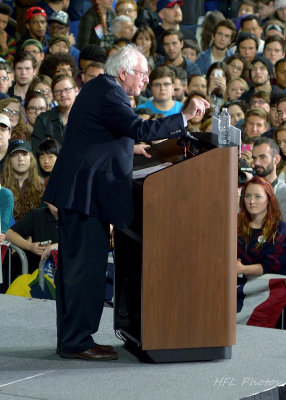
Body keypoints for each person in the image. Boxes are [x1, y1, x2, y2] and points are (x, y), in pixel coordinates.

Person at [43, 44, 209, 361]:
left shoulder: (103, 89)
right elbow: (139, 128)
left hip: (81, 193)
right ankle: (77, 341)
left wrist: (128, 150)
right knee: (84, 272)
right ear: (124, 73)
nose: (145, 80)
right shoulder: (109, 92)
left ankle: (72, 338)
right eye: (142, 73)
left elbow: (101, 134)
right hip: (84, 196)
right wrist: (184, 116)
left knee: (78, 269)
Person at [237, 175, 286, 277]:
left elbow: (272, 265)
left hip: (268, 289)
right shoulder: (235, 226)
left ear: (268, 199)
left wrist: (243, 269)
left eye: (257, 196)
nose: (251, 201)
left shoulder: (281, 230)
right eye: (247, 196)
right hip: (235, 287)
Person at [31, 74, 78, 152]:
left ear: (76, 91)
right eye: (58, 91)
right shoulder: (43, 119)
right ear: (53, 96)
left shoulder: (86, 117)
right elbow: (37, 150)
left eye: (67, 90)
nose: (63, 94)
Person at [3, 139, 43, 222]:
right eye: (15, 155)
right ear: (9, 159)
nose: (20, 159)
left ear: (31, 158)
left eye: (25, 154)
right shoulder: (1, 183)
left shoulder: (42, 185)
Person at [252, 136, 286, 220]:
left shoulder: (284, 192)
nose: (256, 163)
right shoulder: (248, 190)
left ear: (276, 159)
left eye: (262, 157)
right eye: (254, 158)